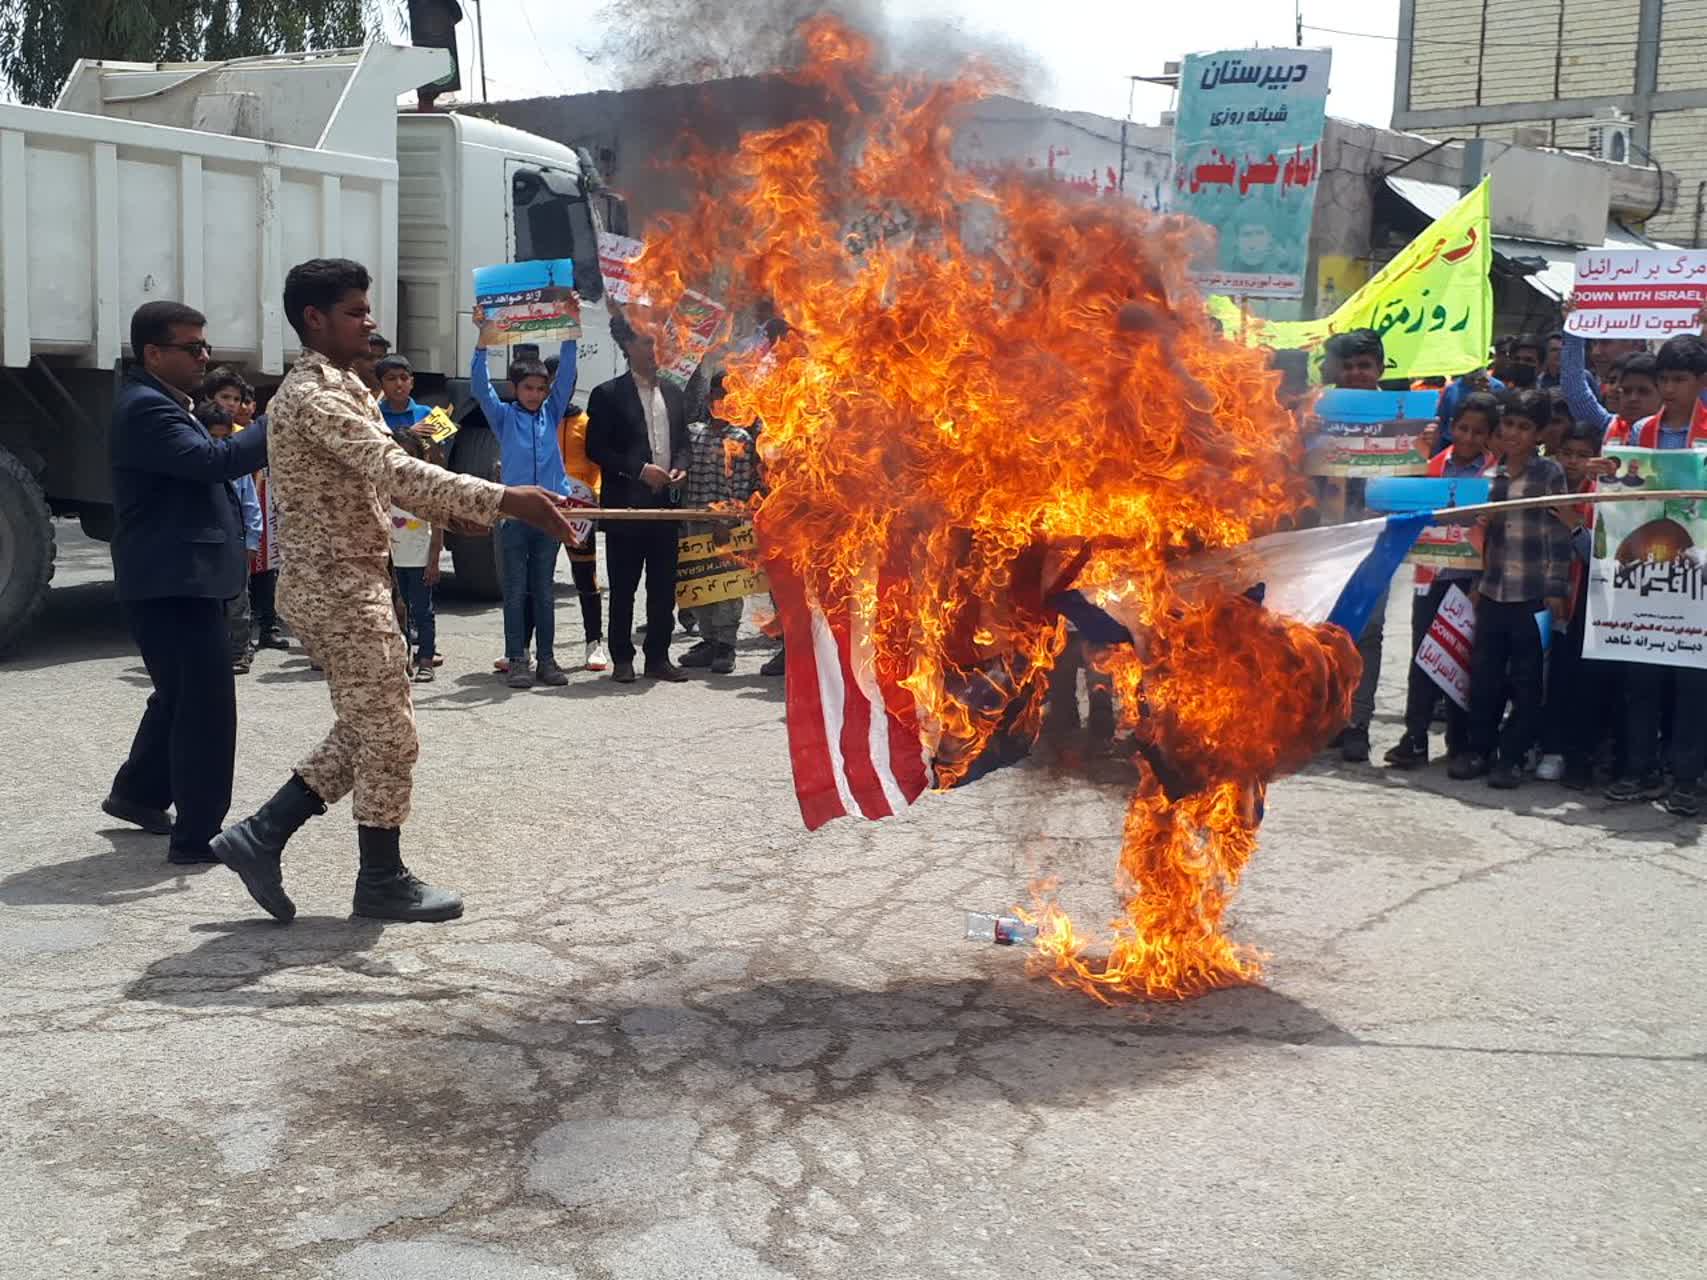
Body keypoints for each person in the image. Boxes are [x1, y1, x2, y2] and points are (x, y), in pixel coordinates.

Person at [209, 257, 583, 925]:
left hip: (358, 577)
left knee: (371, 729)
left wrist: (465, 513)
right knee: (391, 736)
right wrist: (505, 500)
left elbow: (385, 484)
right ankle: (379, 879)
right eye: (354, 310)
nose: (369, 320)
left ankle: (260, 836)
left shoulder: (348, 388)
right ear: (315, 319)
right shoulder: (313, 396)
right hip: (336, 588)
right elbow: (393, 468)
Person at [104, 301, 270, 862]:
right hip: (172, 581)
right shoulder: (146, 409)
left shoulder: (169, 403)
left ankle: (138, 792)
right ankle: (199, 836)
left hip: (179, 577)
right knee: (204, 708)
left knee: (179, 698)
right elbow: (211, 462)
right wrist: (280, 420)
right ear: (154, 353)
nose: (205, 356)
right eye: (192, 347)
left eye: (205, 345)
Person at [1605, 333, 1707, 815]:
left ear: (1700, 383)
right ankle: (1639, 768)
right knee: (1640, 674)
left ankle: (1686, 777)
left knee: (1692, 682)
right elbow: (1622, 488)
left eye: (1680, 380)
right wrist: (1603, 471)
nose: (1670, 388)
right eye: (1664, 379)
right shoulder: (1639, 431)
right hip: (1645, 572)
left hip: (1697, 577)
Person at [1448, 389, 1570, 789]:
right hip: (1494, 589)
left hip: (1533, 594)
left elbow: (1557, 533)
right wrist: (1477, 584)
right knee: (1485, 677)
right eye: (1509, 425)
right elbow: (1481, 538)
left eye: (1524, 427)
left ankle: (1513, 756)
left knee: (1527, 679)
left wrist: (1555, 588)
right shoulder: (1490, 475)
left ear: (1537, 434)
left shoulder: (1548, 474)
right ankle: (1478, 749)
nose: (1514, 433)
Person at [1385, 392, 1497, 771]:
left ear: (1490, 436)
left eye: (1478, 432)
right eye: (1462, 428)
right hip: (1430, 577)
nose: (1468, 437)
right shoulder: (1430, 467)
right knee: (1423, 657)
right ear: (1451, 427)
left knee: (1462, 659)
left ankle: (1460, 740)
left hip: (1471, 581)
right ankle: (1414, 737)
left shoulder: (1496, 477)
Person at [470, 308, 579, 688]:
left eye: (541, 388)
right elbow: (479, 386)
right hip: (513, 516)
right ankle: (518, 659)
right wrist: (483, 337)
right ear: (515, 389)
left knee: (544, 590)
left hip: (549, 516)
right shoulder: (501, 416)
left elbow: (567, 373)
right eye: (528, 388)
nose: (535, 394)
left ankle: (547, 660)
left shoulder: (552, 412)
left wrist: (570, 328)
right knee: (515, 590)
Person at [585, 314, 690, 684]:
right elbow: (597, 448)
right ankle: (622, 657)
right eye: (647, 342)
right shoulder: (607, 394)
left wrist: (679, 467)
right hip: (626, 508)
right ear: (629, 347)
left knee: (663, 588)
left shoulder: (675, 393)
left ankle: (658, 656)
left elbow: (683, 445)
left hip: (665, 507)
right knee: (625, 587)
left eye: (658, 343)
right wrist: (640, 469)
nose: (654, 351)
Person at [1320, 328, 1387, 762]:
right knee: (1326, 632)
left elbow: (1423, 472)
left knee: (1369, 634)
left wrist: (1421, 444)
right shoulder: (1319, 411)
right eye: (1349, 365)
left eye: (1365, 365)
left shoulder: (1403, 414)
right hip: (1325, 537)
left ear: (1380, 368)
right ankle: (1328, 720)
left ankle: (1358, 724)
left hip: (1378, 540)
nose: (1356, 373)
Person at [1537, 422, 1612, 790]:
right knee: (1539, 677)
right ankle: (1542, 745)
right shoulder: (1544, 487)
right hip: (1536, 597)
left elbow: (1602, 557)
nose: (1573, 462)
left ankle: (1572, 754)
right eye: (1567, 453)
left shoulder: (1599, 495)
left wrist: (1573, 526)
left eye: (1583, 455)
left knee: (1574, 680)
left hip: (1583, 603)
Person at [679, 375, 761, 674]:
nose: (721, 401)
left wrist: (727, 520)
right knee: (699, 579)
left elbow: (741, 487)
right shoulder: (693, 434)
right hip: (692, 520)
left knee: (727, 582)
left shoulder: (740, 438)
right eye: (716, 394)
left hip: (726, 526)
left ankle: (726, 644)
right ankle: (708, 640)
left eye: (728, 396)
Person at [196, 401, 262, 674]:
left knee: (238, 601)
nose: (219, 444)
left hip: (235, 542)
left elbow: (250, 505)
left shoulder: (237, 469)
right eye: (213, 438)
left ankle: (239, 651)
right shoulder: (193, 467)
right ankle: (209, 651)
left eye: (225, 438)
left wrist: (252, 541)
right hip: (204, 544)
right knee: (206, 601)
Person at [555, 395, 611, 671]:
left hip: (580, 506)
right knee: (535, 577)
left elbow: (597, 465)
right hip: (546, 504)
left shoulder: (587, 423)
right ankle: (523, 649)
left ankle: (594, 643)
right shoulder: (542, 419)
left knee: (585, 576)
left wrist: (594, 495)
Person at [235, 382, 288, 651]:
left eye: (247, 401)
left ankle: (269, 627)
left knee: (268, 570)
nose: (242, 406)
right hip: (243, 505)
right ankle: (243, 634)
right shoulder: (226, 433)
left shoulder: (264, 432)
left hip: (268, 504)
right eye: (236, 400)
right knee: (241, 572)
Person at [375, 354, 435, 443]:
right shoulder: (376, 414)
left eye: (404, 378)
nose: (399, 384)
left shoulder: (427, 413)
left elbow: (439, 453)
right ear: (381, 384)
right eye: (391, 379)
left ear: (412, 383)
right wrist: (409, 434)